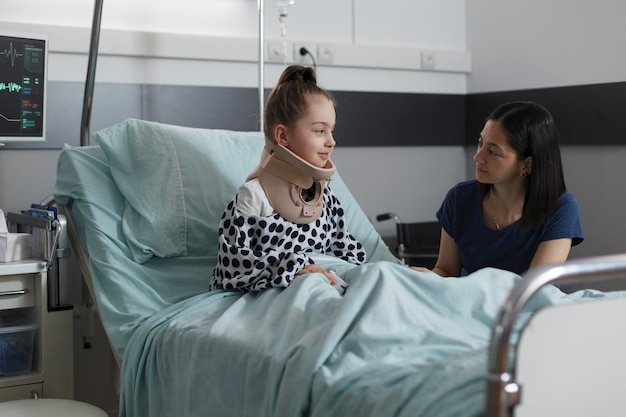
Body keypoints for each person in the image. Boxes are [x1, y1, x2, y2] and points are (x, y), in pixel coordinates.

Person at [211, 65, 366, 292]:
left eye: (331, 130)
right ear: (282, 136)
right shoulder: (254, 196)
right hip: (283, 289)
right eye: (319, 131)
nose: (331, 141)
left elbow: (345, 250)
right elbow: (231, 266)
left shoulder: (325, 198)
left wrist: (360, 275)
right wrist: (294, 267)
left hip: (330, 282)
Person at [413, 101, 583, 277]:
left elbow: (535, 287)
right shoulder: (459, 198)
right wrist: (428, 278)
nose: (477, 157)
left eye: (493, 152)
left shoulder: (562, 209)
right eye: (480, 143)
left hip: (528, 303)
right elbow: (447, 271)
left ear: (527, 165)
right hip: (466, 303)